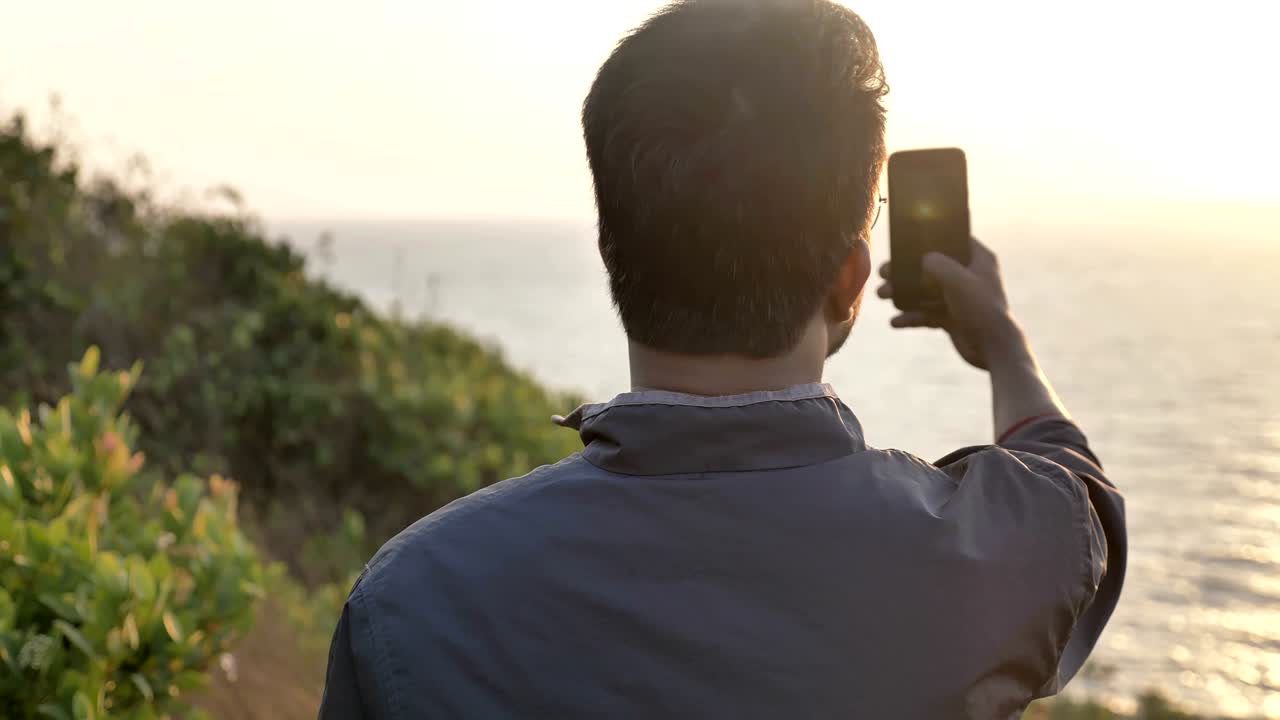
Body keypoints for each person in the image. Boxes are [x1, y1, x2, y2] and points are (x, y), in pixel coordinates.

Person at [318, 1, 1126, 717]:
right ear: (851, 281)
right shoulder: (988, 559)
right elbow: (1077, 498)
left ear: (612, 252)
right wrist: (1003, 346)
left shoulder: (414, 599)